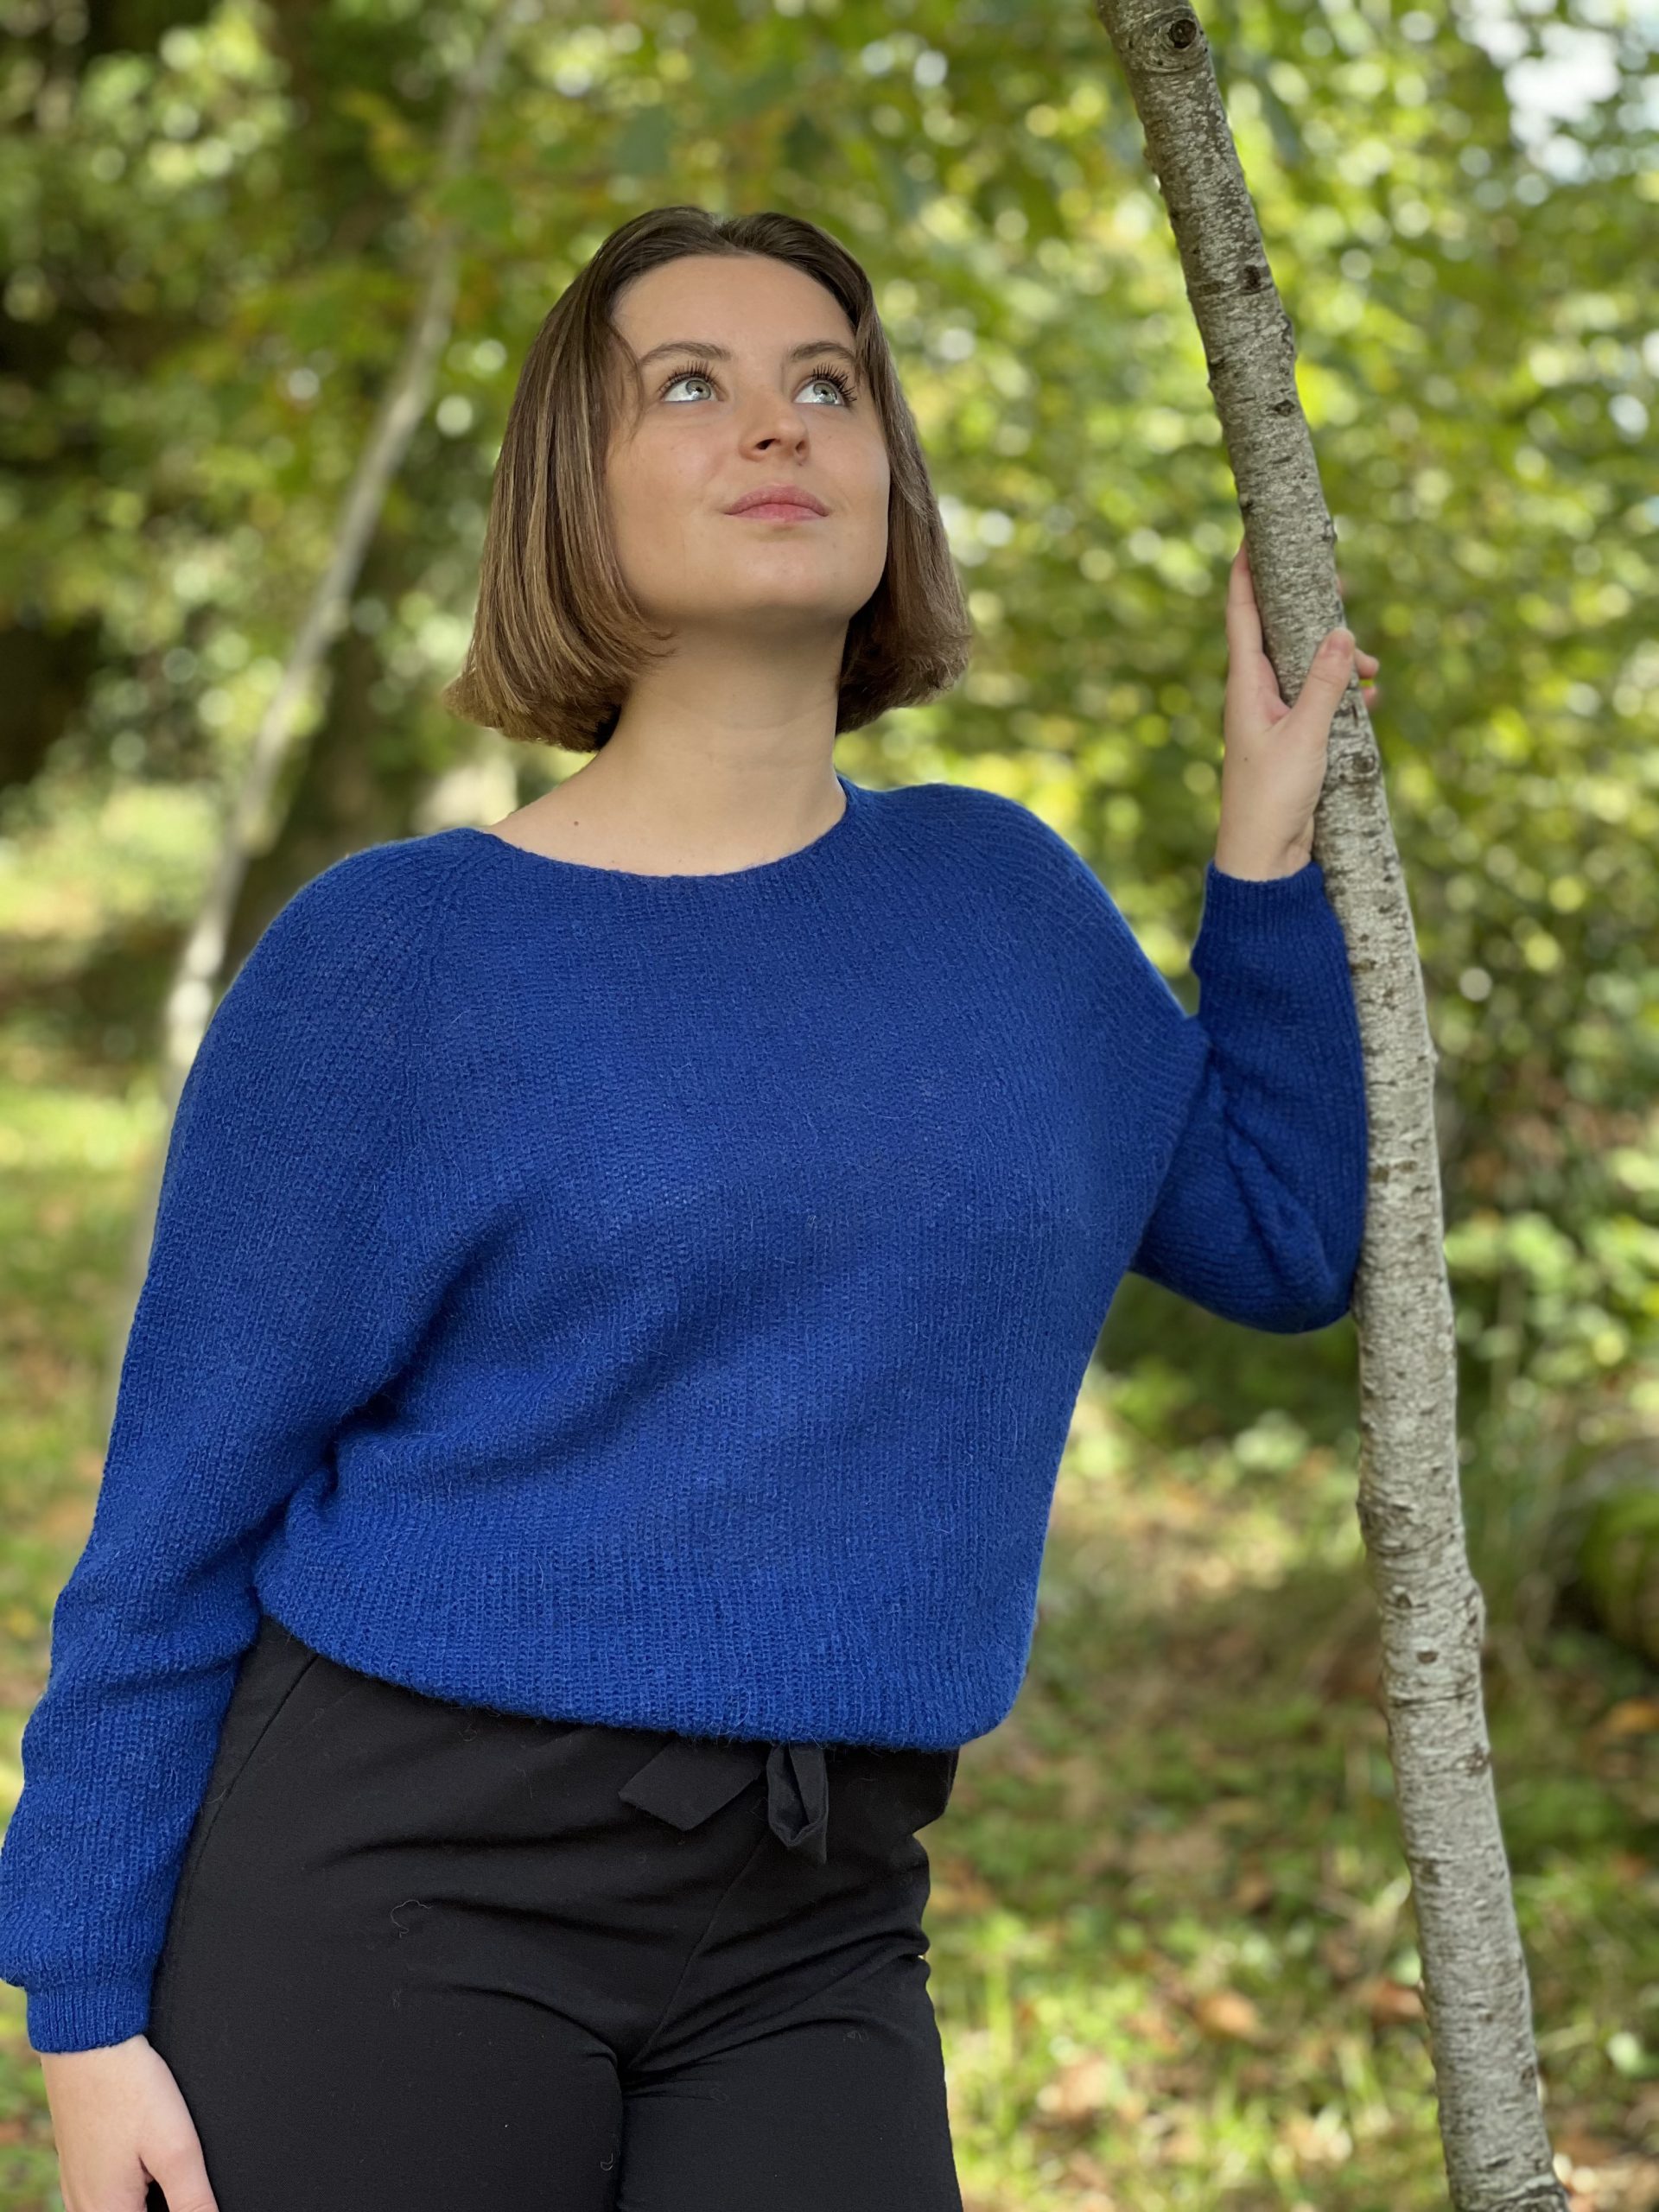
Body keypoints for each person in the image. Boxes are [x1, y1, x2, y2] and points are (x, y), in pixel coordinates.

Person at [0, 205, 1376, 2211]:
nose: (782, 428)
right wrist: (81, 2008)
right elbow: (178, 1515)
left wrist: (1263, 868)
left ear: (894, 482)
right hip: (401, 1872)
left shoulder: (1002, 908)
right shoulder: (398, 959)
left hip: (817, 1905)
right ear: (579, 482)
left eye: (830, 385)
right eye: (691, 387)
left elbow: (1281, 1232)